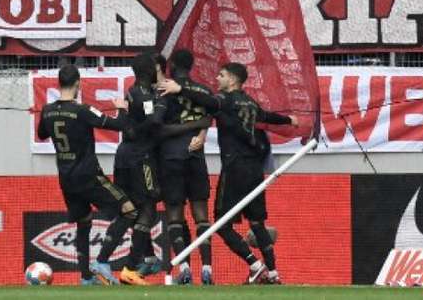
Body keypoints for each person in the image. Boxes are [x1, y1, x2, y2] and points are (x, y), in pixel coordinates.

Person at [159, 62, 299, 285]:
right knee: (256, 223)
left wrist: (180, 90)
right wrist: (289, 120)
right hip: (255, 169)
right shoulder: (250, 102)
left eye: (221, 75)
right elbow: (267, 116)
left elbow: (207, 101)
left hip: (234, 168)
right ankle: (273, 273)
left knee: (222, 225)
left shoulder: (225, 100)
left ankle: (255, 265)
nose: (217, 79)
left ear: (233, 80)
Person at [37, 64, 137, 286]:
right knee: (129, 211)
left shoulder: (47, 110)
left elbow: (42, 134)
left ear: (58, 83)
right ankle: (102, 261)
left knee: (84, 222)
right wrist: (121, 108)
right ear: (78, 84)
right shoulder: (82, 110)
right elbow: (119, 125)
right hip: (89, 175)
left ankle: (85, 277)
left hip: (66, 178)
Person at [156, 49, 214, 285]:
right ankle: (208, 269)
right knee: (201, 215)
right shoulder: (203, 90)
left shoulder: (163, 90)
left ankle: (185, 267)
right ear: (191, 66)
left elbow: (157, 126)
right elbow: (211, 112)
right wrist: (201, 131)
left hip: (171, 157)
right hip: (196, 157)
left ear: (171, 66)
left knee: (174, 216)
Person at [112, 53, 167, 286]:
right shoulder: (146, 94)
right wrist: (162, 105)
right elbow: (153, 122)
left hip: (124, 156)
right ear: (149, 71)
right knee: (149, 207)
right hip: (140, 157)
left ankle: (148, 257)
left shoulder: (131, 92)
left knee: (132, 209)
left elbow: (129, 122)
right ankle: (130, 267)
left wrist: (127, 119)